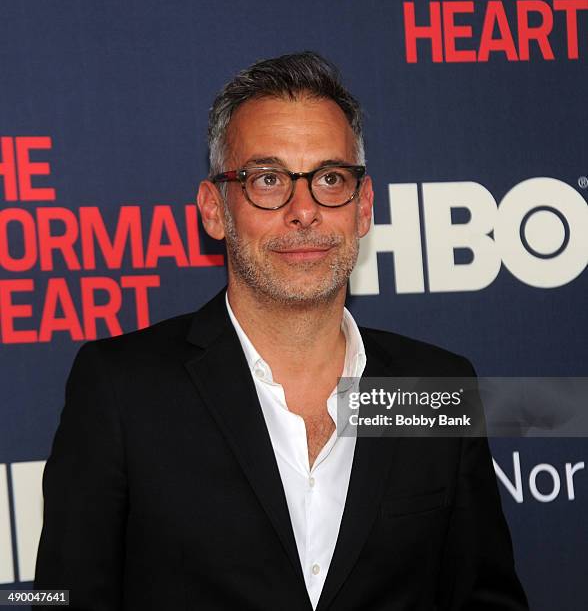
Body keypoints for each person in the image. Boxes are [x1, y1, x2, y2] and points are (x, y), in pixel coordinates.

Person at [35, 51, 528, 610]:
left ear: (363, 208)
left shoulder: (433, 387)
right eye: (269, 180)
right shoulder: (123, 389)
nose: (304, 210)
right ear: (215, 209)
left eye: (330, 178)